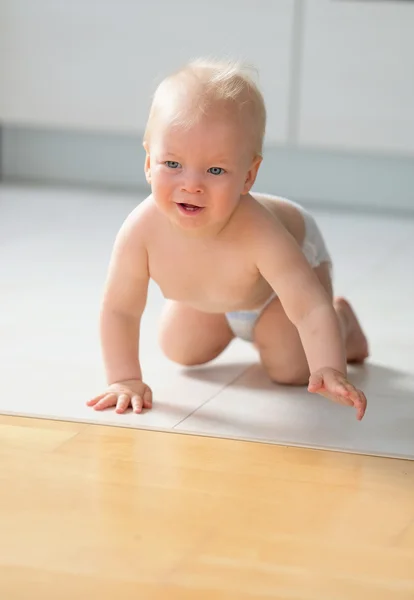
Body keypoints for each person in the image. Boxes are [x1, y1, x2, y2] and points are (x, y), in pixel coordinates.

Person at [87, 59, 369, 420]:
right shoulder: (140, 230)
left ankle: (344, 323)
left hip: (284, 284)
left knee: (292, 369)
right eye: (172, 164)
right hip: (220, 293)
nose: (191, 184)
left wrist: (331, 366)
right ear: (147, 162)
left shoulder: (259, 231)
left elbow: (309, 307)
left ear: (249, 176)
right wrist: (124, 379)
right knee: (178, 347)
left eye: (215, 170)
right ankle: (231, 321)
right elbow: (120, 309)